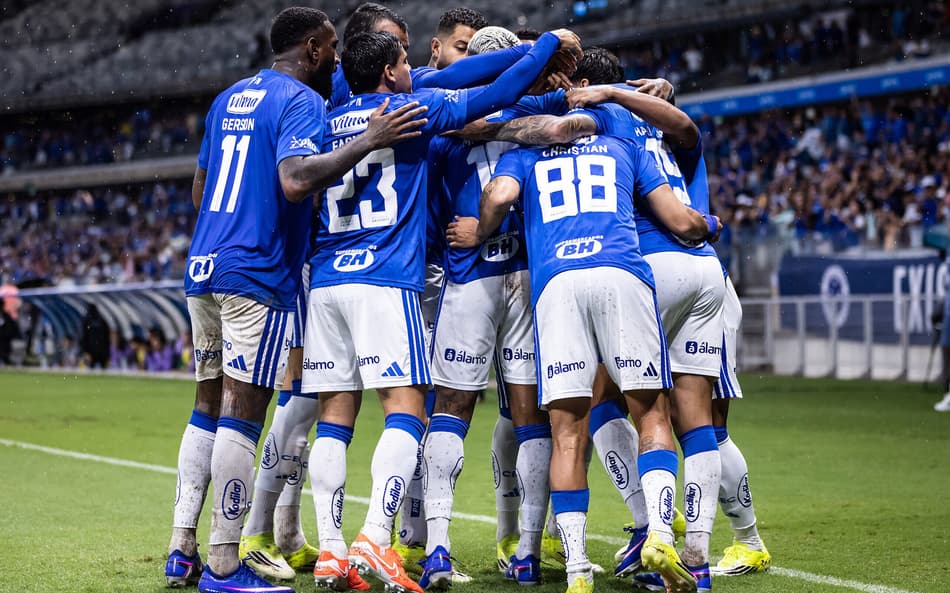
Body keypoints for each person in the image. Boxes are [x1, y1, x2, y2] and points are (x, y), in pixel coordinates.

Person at [303, 28, 575, 593]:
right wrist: (546, 45)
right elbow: (499, 91)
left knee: (334, 417)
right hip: (385, 278)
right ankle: (376, 536)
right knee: (408, 411)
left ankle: (330, 549)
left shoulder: (323, 123)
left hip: (328, 283)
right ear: (388, 73)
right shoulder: (412, 110)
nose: (412, 70)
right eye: (404, 61)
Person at [166, 7, 426, 593]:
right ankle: (225, 564)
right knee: (242, 412)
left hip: (204, 265)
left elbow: (201, 188)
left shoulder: (228, 97)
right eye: (331, 48)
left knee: (206, 405)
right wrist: (369, 139)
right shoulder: (302, 99)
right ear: (311, 48)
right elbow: (294, 180)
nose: (336, 60)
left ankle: (182, 548)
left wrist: (231, 220)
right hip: (255, 272)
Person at [446, 128, 717, 593]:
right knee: (652, 413)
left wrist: (483, 228)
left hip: (557, 283)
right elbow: (675, 214)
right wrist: (709, 223)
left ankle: (576, 569)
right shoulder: (622, 142)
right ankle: (657, 533)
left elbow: (500, 194)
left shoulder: (525, 152)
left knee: (566, 431)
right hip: (620, 272)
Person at [421, 28, 551, 589]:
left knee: (451, 409)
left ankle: (437, 547)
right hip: (525, 274)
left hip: (469, 277)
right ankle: (527, 552)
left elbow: (430, 215)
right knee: (530, 415)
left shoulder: (445, 129)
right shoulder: (536, 120)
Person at [79, 303, 110, 369]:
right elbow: (107, 338)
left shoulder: (86, 321)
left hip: (91, 351)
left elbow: (83, 338)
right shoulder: (102, 321)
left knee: (91, 370)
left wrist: (85, 351)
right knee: (103, 370)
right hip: (102, 351)